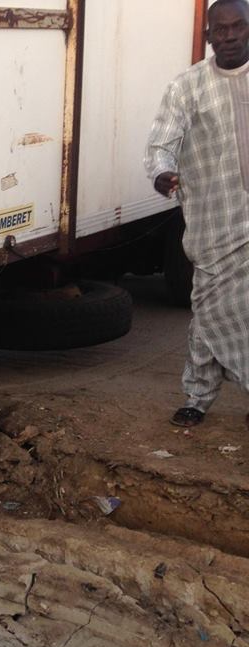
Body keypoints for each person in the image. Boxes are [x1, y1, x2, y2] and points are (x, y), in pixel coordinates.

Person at [146, 0, 249, 428]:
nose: (228, 37)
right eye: (219, 31)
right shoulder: (187, 86)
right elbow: (161, 142)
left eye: (238, 27)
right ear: (208, 37)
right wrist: (162, 173)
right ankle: (198, 395)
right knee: (209, 309)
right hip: (212, 219)